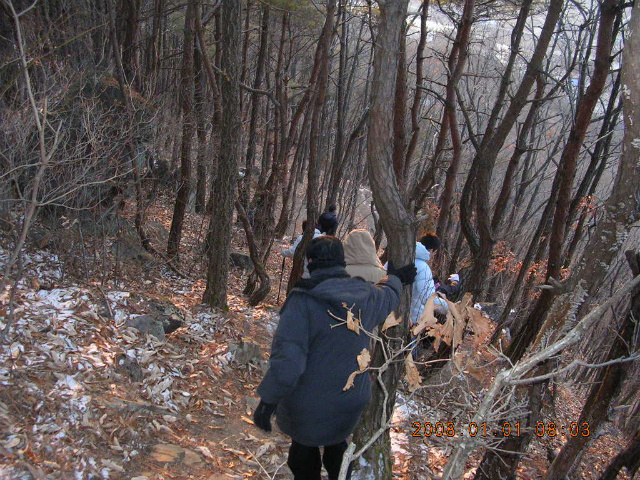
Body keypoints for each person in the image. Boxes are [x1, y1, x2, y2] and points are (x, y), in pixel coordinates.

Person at [253, 236, 416, 480]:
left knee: (304, 454)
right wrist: (396, 277)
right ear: (342, 261)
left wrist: (268, 401)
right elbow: (389, 295)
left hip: (306, 404)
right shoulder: (366, 295)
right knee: (337, 446)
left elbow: (289, 360)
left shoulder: (302, 301)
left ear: (310, 262)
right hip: (350, 398)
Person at [410, 233, 447, 326]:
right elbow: (428, 299)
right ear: (431, 250)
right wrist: (450, 308)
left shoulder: (398, 259)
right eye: (434, 253)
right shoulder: (423, 268)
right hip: (412, 320)